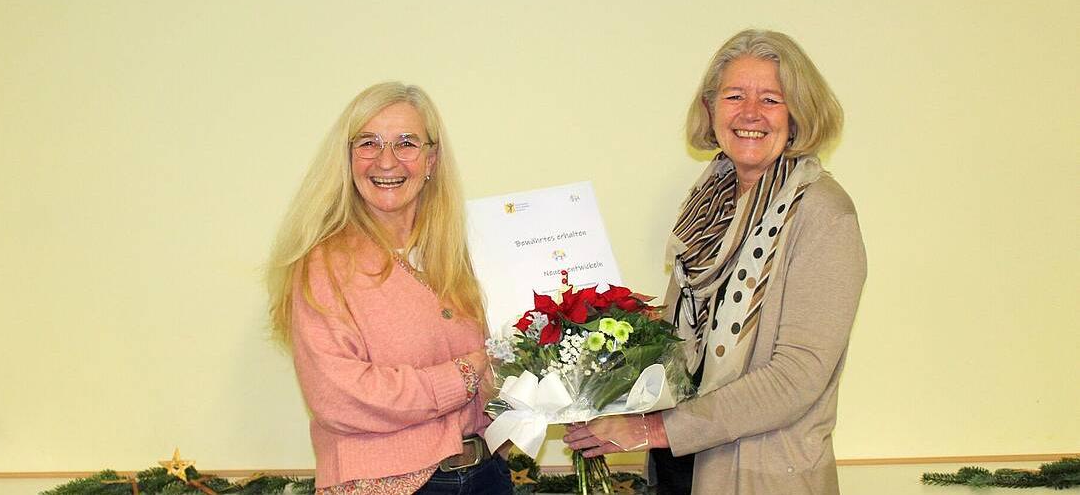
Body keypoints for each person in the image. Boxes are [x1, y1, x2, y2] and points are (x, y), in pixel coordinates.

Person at [564, 29, 867, 494]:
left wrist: (655, 430)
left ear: (799, 113)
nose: (749, 114)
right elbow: (680, 348)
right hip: (682, 467)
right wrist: (599, 369)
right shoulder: (708, 206)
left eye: (771, 99)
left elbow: (797, 377)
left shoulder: (823, 213)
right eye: (734, 96)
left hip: (763, 476)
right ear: (710, 108)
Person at [267, 82, 511, 494]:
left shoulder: (461, 255)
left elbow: (505, 358)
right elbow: (340, 396)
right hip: (385, 485)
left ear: (431, 159)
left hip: (486, 475)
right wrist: (466, 372)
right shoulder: (322, 264)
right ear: (347, 159)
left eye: (406, 143)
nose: (386, 161)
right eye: (368, 143)